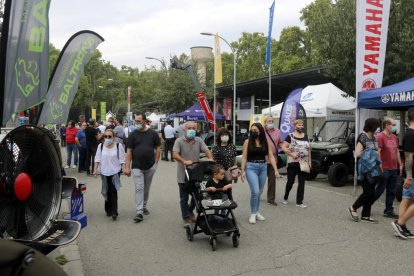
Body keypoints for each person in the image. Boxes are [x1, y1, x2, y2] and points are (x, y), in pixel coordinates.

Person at [172, 121, 213, 227]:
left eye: (193, 128)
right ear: (185, 130)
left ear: (196, 130)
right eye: (189, 128)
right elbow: (175, 154)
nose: (191, 130)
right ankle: (185, 218)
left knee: (197, 195)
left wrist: (210, 158)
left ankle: (190, 210)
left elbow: (206, 150)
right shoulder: (179, 141)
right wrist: (184, 161)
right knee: (184, 197)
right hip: (183, 174)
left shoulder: (199, 140)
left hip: (196, 174)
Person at [124, 112, 161, 223]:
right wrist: (127, 167)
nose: (137, 123)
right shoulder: (132, 135)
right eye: (136, 121)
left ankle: (144, 206)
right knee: (139, 187)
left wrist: (155, 164)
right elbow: (129, 151)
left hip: (150, 166)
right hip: (136, 166)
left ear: (145, 121)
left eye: (139, 121)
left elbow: (158, 149)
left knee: (146, 188)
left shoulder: (153, 134)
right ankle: (139, 211)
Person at [240, 123, 279, 224]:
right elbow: (244, 157)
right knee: (255, 191)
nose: (253, 132)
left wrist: (276, 170)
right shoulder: (247, 142)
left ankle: (257, 212)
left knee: (260, 191)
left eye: (255, 130)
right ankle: (253, 214)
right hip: (251, 167)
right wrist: (243, 170)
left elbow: (270, 156)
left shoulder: (265, 142)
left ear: (260, 131)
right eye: (252, 130)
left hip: (263, 167)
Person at [348, 118, 381, 223]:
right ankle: (353, 207)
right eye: (376, 126)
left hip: (374, 169)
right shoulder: (362, 137)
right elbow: (357, 153)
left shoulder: (373, 138)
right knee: (368, 192)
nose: (377, 129)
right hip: (365, 169)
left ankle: (365, 216)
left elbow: (377, 151)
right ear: (371, 127)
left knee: (371, 193)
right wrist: (371, 154)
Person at [373, 118, 403, 218]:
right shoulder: (380, 136)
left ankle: (388, 210)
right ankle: (367, 205)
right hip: (384, 168)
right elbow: (378, 152)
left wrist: (400, 164)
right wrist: (380, 164)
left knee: (392, 190)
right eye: (393, 124)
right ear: (387, 125)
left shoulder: (395, 137)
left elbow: (397, 151)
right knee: (380, 190)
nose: (394, 126)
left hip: (393, 168)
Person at [93, 129, 126, 220]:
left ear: (113, 137)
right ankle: (108, 209)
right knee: (106, 190)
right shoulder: (101, 146)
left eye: (109, 136)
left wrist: (125, 169)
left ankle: (114, 212)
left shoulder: (119, 146)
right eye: (105, 136)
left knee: (113, 190)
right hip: (104, 172)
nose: (107, 138)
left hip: (115, 171)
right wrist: (95, 170)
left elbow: (122, 160)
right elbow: (97, 159)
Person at [392, 107, 414, 239]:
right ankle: (400, 223)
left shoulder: (409, 133)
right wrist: (409, 177)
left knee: (406, 199)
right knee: (407, 200)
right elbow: (409, 156)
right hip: (412, 175)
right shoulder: (411, 134)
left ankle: (401, 228)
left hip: (409, 174)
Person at [281, 119, 311, 208]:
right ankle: (286, 196)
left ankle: (299, 202)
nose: (301, 126)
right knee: (290, 181)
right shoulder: (290, 136)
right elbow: (284, 148)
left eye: (302, 125)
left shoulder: (306, 136)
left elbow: (309, 149)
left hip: (303, 162)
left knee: (302, 182)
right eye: (299, 125)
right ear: (295, 126)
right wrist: (291, 154)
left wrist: (309, 161)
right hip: (292, 162)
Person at [264, 116, 283, 206]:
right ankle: (256, 194)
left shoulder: (278, 131)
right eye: (269, 121)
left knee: (272, 180)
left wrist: (285, 149)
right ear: (265, 122)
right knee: (261, 180)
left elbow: (280, 142)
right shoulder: (261, 131)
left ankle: (271, 199)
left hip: (273, 159)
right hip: (262, 159)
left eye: (272, 121)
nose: (271, 123)